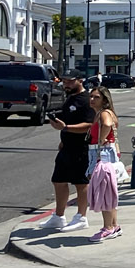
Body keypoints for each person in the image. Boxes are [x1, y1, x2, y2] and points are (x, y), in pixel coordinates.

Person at [41, 70, 94, 231]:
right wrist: (62, 137)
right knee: (58, 180)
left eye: (70, 81)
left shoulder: (87, 100)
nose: (66, 84)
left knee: (81, 182)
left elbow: (89, 125)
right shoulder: (70, 98)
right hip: (67, 146)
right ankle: (59, 216)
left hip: (82, 148)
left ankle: (81, 217)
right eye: (64, 81)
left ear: (80, 80)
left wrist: (67, 128)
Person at [86, 86, 123, 242]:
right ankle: (114, 225)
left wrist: (101, 140)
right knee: (109, 192)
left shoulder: (104, 114)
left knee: (104, 191)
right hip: (107, 154)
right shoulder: (102, 114)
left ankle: (108, 228)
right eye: (91, 96)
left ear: (104, 100)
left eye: (96, 97)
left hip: (102, 155)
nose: (92, 100)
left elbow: (107, 124)